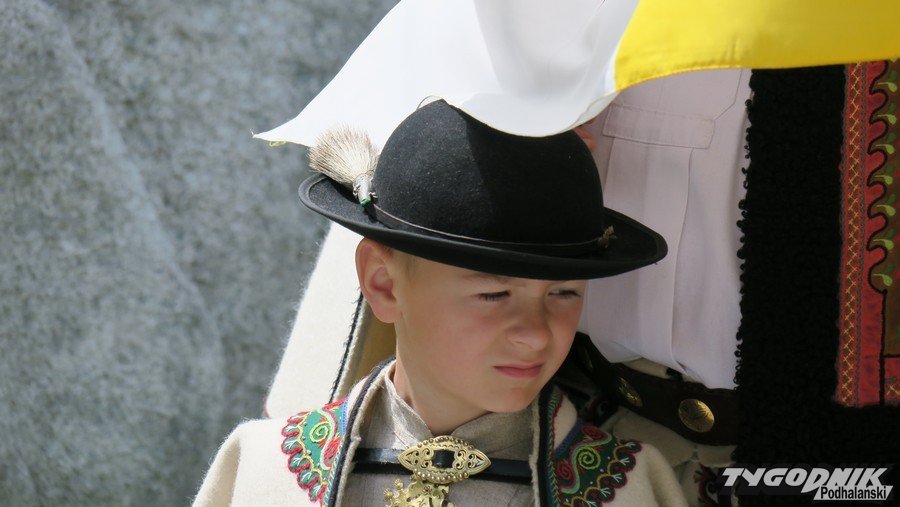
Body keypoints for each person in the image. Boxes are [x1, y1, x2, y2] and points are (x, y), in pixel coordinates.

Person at [193, 100, 688, 506]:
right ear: (384, 284)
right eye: (493, 294)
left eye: (564, 293)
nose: (536, 333)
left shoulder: (629, 488)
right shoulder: (264, 474)